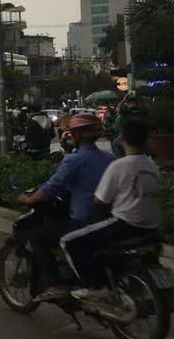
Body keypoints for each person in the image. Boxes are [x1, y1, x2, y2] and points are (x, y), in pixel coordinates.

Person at [60, 116, 161, 305]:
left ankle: (95, 287)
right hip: (152, 226)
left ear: (121, 138)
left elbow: (100, 200)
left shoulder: (119, 165)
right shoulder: (152, 166)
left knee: (68, 241)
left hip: (125, 224)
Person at [17, 113, 114, 301]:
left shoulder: (74, 160)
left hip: (82, 221)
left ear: (76, 135)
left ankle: (55, 284)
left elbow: (51, 188)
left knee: (38, 237)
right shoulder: (109, 158)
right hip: (106, 220)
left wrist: (28, 200)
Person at [111, 92, 146, 159]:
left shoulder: (126, 111)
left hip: (129, 134)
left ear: (127, 102)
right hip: (142, 135)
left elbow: (117, 109)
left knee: (115, 143)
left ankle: (120, 159)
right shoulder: (143, 111)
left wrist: (123, 100)